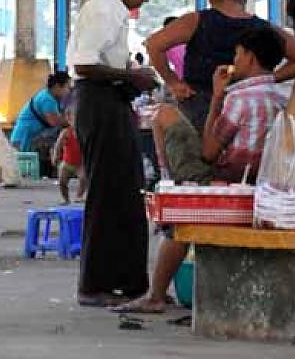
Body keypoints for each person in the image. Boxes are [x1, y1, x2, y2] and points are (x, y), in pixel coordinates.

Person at [116, 29, 286, 314]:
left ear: (250, 58)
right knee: (167, 120)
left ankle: (156, 295)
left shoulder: (240, 97)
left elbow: (209, 152)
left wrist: (217, 98)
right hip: (261, 180)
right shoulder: (283, 95)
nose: (234, 59)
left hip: (225, 180)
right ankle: (169, 182)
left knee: (164, 115)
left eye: (238, 54)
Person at [67, 0, 160, 307]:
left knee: (126, 190)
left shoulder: (115, 12)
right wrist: (131, 76)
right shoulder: (103, 11)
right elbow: (85, 64)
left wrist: (129, 76)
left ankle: (131, 282)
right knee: (107, 193)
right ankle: (94, 284)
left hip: (110, 100)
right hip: (98, 100)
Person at [146, 0, 295, 132]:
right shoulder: (262, 28)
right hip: (247, 108)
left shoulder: (197, 21)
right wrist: (270, 78)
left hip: (198, 107)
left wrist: (174, 82)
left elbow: (154, 44)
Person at [10, 71, 71, 156]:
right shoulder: (47, 99)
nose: (68, 91)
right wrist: (73, 120)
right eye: (67, 87)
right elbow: (54, 122)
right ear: (57, 86)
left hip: (28, 138)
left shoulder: (50, 97)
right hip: (23, 138)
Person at [52, 105, 86, 204]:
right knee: (62, 181)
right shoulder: (66, 132)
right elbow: (58, 145)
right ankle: (65, 198)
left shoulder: (84, 132)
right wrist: (56, 155)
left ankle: (79, 195)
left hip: (80, 164)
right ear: (69, 119)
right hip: (67, 162)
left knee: (84, 178)